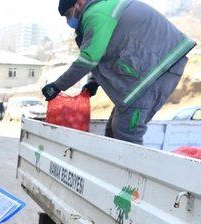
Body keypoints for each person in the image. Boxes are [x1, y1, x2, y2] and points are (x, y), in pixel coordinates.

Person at [42, 0, 196, 144]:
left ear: (79, 2)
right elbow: (103, 53)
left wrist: (57, 86)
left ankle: (134, 172)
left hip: (158, 69)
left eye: (69, 14)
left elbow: (89, 59)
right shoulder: (101, 10)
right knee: (113, 131)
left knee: (126, 132)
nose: (69, 20)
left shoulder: (95, 13)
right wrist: (92, 82)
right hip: (154, 69)